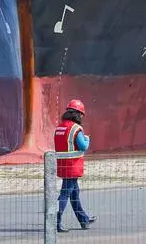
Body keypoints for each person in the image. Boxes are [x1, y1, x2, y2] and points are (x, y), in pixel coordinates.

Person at [53, 99, 96, 232]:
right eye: (82, 115)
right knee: (65, 194)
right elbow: (83, 146)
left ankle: (83, 219)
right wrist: (87, 139)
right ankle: (55, 221)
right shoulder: (76, 128)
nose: (82, 117)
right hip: (72, 166)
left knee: (74, 194)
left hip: (63, 164)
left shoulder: (60, 127)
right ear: (78, 114)